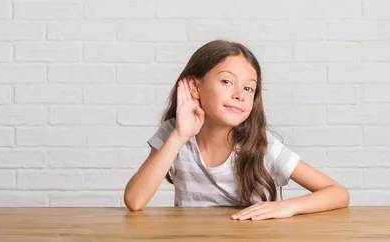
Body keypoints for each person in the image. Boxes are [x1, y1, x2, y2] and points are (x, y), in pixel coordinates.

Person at [124, 40, 350, 221]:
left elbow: (338, 193)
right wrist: (180, 136)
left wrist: (286, 207)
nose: (239, 94)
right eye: (226, 82)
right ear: (195, 85)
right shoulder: (174, 133)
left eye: (249, 88)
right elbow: (134, 201)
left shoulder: (261, 144)